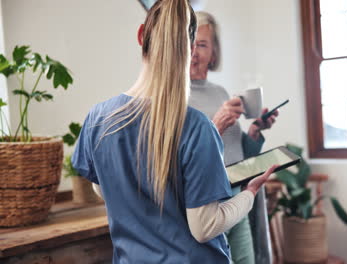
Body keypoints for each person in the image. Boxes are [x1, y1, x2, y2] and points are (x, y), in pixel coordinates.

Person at [71, 1, 277, 263]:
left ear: (141, 35)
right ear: (189, 48)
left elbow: (103, 190)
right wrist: (249, 193)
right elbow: (205, 228)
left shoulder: (97, 119)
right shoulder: (197, 126)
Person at [189, 11, 279, 264]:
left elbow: (235, 150)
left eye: (202, 44)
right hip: (206, 205)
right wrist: (215, 125)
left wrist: (255, 131)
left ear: (214, 53)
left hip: (238, 194)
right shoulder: (176, 97)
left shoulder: (220, 92)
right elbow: (180, 157)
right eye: (190, 42)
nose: (194, 51)